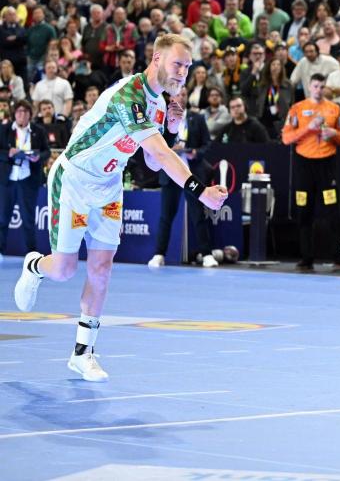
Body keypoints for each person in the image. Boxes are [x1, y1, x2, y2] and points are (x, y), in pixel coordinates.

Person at [13, 34, 228, 382]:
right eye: (178, 64)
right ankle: (35, 266)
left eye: (188, 67)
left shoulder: (160, 103)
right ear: (157, 59)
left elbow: (152, 163)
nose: (183, 73)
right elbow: (159, 156)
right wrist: (199, 191)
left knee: (101, 268)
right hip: (75, 180)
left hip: (109, 187)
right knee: (65, 269)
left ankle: (83, 352)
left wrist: (171, 128)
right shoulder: (129, 94)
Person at [282, 73, 340, 272]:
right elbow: (287, 138)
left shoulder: (334, 109)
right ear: (309, 87)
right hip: (304, 165)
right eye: (315, 86)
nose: (319, 90)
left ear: (325, 88)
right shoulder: (297, 109)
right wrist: (309, 129)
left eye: (322, 86)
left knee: (333, 212)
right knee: (304, 211)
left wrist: (335, 134)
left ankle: (338, 257)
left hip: (327, 165)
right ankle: (306, 258)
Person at [148, 87, 217, 269]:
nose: (182, 96)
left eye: (185, 94)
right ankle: (159, 254)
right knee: (166, 216)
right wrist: (171, 147)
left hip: (191, 173)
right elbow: (157, 145)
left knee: (197, 214)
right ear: (171, 97)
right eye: (179, 93)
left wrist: (196, 153)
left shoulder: (198, 118)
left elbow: (207, 144)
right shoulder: (161, 118)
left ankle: (207, 254)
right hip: (170, 173)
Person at [0, 101, 50, 260]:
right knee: (2, 218)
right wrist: (8, 152)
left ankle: (32, 256)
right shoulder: (4, 129)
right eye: (19, 111)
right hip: (7, 180)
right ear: (15, 114)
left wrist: (38, 157)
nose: (22, 114)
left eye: (25, 111)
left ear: (30, 114)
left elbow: (47, 152)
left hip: (28, 179)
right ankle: (0, 251)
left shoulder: (38, 131)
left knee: (28, 220)